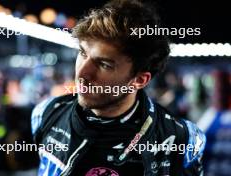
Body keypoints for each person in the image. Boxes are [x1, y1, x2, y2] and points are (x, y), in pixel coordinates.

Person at [31, 0, 206, 175]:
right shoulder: (46, 113)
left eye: (104, 64)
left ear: (139, 80)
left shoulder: (183, 140)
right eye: (83, 53)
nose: (83, 73)